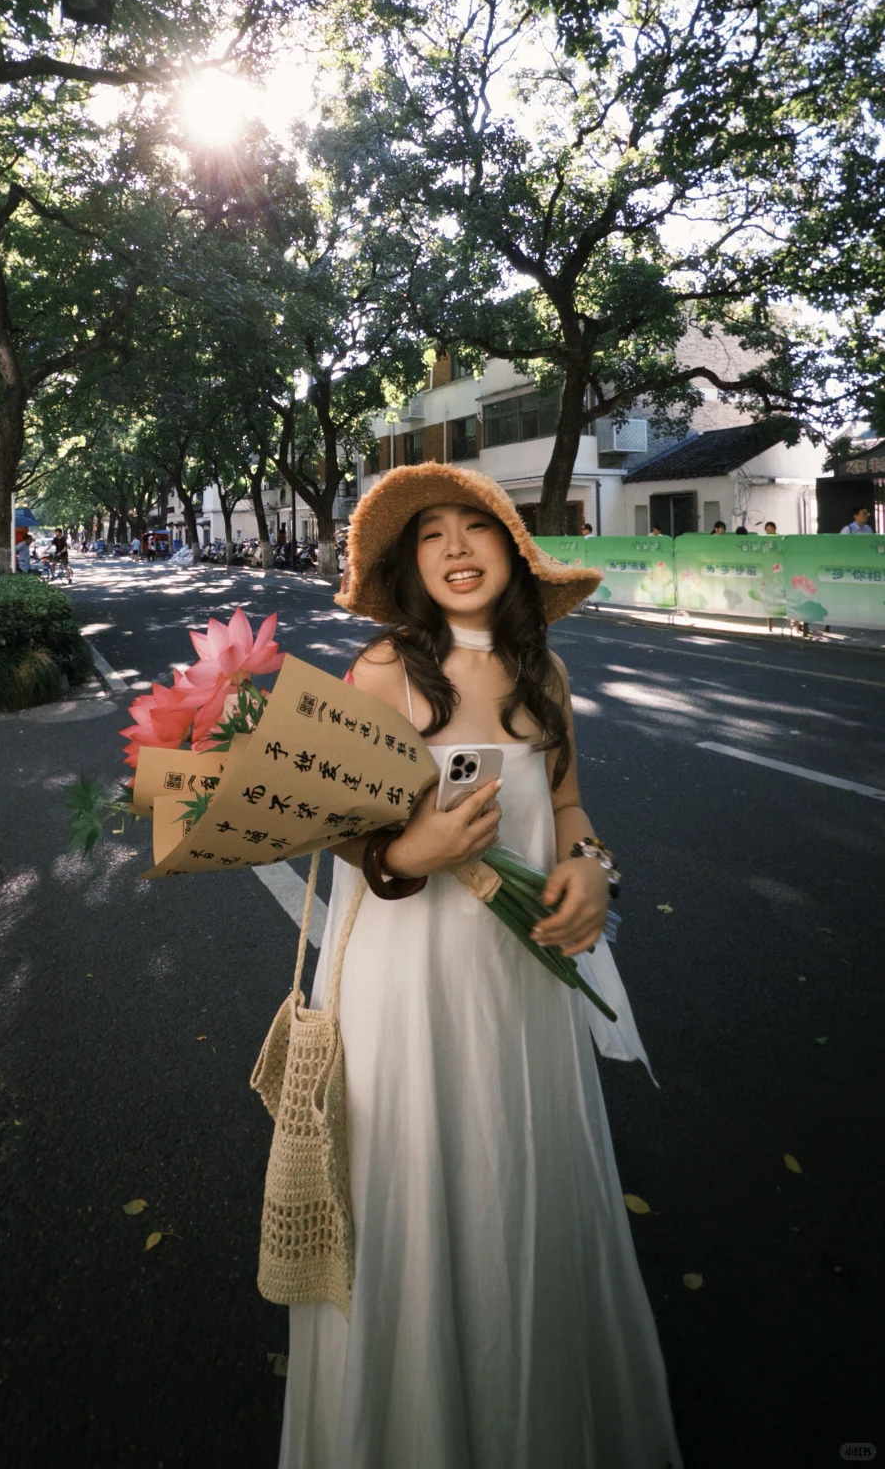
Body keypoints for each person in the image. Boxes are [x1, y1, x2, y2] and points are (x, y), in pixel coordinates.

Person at [279, 462, 682, 1469]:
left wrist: (593, 872)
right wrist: (407, 854)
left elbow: (571, 806)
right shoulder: (379, 673)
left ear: (514, 549)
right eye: (432, 536)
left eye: (478, 529)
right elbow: (327, 823)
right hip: (402, 982)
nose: (457, 549)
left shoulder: (547, 676)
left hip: (520, 981)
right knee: (410, 1183)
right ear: (411, 566)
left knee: (518, 1171)